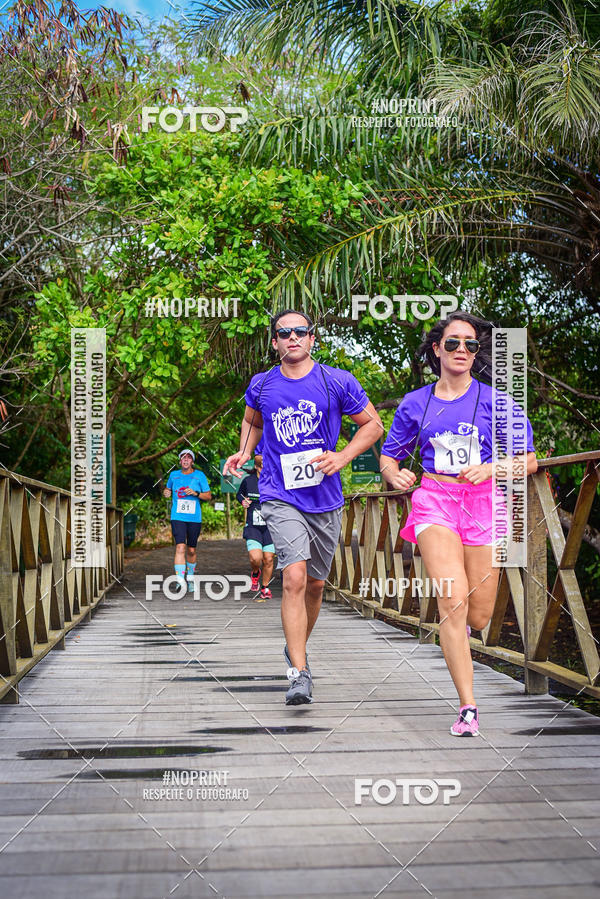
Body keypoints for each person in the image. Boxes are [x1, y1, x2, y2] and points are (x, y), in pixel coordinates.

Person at [380, 311, 537, 736]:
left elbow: (529, 460)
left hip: (485, 505)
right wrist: (394, 475)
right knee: (452, 601)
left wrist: (492, 470)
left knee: (481, 616)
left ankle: (462, 628)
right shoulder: (416, 402)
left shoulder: (496, 401)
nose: (462, 350)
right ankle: (468, 706)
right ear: (437, 349)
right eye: (453, 343)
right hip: (435, 500)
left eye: (470, 344)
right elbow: (389, 457)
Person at [224, 309, 383, 705]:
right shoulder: (262, 385)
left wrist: (342, 457)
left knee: (314, 584)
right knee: (293, 576)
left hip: (324, 496)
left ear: (312, 339)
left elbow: (373, 426)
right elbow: (253, 421)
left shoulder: (336, 382)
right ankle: (298, 671)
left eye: (300, 332)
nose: (292, 337)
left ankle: (296, 650)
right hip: (279, 493)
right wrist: (244, 453)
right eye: (284, 333)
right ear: (274, 342)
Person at [163, 449, 211, 592]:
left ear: (192, 461)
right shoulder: (173, 475)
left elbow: (208, 496)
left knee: (191, 550)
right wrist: (166, 492)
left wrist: (195, 493)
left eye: (188, 458)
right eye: (183, 457)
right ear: (180, 461)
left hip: (194, 518)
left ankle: (190, 578)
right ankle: (179, 580)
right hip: (178, 516)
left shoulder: (199, 476)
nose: (185, 460)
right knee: (180, 547)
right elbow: (167, 490)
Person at [236, 453, 275, 599]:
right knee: (255, 558)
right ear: (258, 467)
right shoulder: (249, 481)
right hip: (253, 526)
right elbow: (239, 494)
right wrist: (243, 501)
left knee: (269, 558)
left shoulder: (273, 481)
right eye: (264, 467)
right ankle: (255, 572)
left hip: (270, 526)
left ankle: (265, 587)